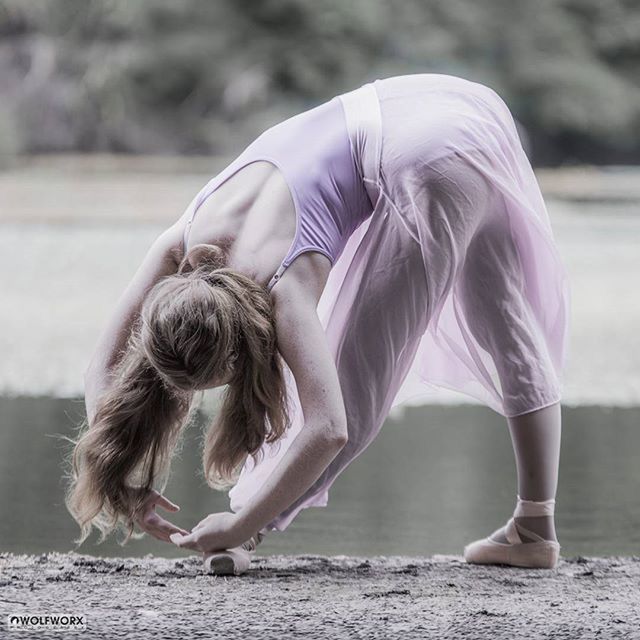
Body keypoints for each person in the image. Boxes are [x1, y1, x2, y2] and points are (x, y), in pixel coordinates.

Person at [66, 73, 570, 575]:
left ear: (241, 349)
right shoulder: (183, 240)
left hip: (424, 156)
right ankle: (533, 528)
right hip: (452, 102)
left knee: (359, 370)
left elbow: (331, 427)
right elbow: (102, 371)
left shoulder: (284, 286)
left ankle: (250, 533)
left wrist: (242, 525)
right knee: (502, 318)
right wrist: (120, 479)